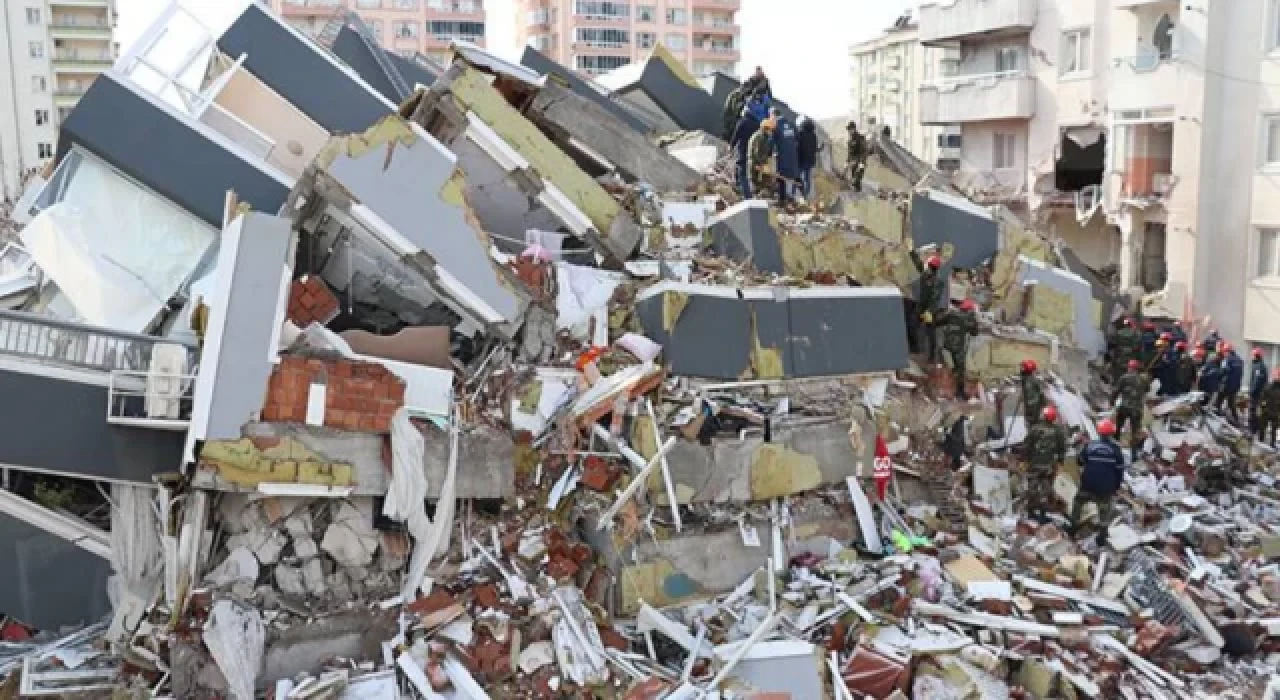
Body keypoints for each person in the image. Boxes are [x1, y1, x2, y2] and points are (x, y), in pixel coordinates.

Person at [1070, 418, 1127, 543]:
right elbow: (1119, 471)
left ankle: (1073, 526)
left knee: (1078, 502)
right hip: (1105, 487)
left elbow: (1080, 461)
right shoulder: (1116, 450)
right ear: (1112, 433)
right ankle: (1102, 535)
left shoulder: (1090, 446)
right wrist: (1115, 487)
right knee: (1105, 509)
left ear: (1099, 432)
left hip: (1088, 484)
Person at [1024, 406, 1067, 523]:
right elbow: (1062, 449)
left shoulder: (1035, 429)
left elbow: (1027, 446)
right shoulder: (1057, 431)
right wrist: (1060, 463)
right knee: (1046, 488)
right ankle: (1043, 513)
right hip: (1048, 466)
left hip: (1034, 465)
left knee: (1032, 487)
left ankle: (1031, 512)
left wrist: (1025, 460)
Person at [937, 298, 980, 400]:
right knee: (960, 369)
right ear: (970, 309)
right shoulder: (969, 318)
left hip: (946, 345)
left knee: (945, 364)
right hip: (958, 347)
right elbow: (975, 333)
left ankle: (944, 385)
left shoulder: (952, 314)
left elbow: (939, 322)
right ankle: (959, 392)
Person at [909, 249, 946, 363]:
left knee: (930, 333)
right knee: (913, 326)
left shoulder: (938, 282)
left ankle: (931, 357)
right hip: (922, 307)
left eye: (930, 266)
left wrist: (929, 312)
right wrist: (912, 253)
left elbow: (935, 299)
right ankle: (915, 349)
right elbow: (919, 266)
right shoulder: (926, 275)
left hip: (930, 310)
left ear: (932, 267)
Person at [1112, 359, 1149, 461]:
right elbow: (1147, 390)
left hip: (1124, 407)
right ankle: (1134, 455)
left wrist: (1112, 402)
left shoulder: (1124, 377)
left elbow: (1116, 391)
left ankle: (1114, 450)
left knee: (1118, 429)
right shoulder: (1143, 379)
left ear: (1129, 367)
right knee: (1135, 432)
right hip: (1137, 409)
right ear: (1137, 369)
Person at [730, 107, 761, 199]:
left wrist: (731, 146)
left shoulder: (743, 122)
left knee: (742, 173)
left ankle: (747, 196)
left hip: (743, 150)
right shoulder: (757, 124)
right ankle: (743, 189)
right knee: (749, 173)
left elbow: (736, 134)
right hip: (753, 153)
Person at [771, 109, 800, 206]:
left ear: (774, 116)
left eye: (771, 117)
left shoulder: (776, 126)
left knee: (781, 177)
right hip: (793, 156)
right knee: (794, 176)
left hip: (783, 156)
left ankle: (782, 200)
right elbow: (797, 139)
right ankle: (801, 197)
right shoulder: (791, 124)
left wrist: (769, 153)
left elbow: (771, 142)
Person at [1216, 343, 1244, 424]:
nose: (1224, 353)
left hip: (1226, 386)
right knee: (1231, 404)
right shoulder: (1239, 360)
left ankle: (1217, 420)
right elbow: (1240, 374)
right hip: (1235, 386)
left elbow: (1223, 372)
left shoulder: (1227, 359)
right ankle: (1236, 420)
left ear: (1227, 351)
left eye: (1224, 351)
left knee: (1218, 402)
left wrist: (1217, 377)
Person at [747, 118, 775, 198]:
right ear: (765, 128)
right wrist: (759, 164)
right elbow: (757, 153)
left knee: (761, 185)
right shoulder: (759, 137)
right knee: (756, 187)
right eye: (770, 129)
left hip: (759, 164)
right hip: (755, 164)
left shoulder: (763, 137)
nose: (771, 131)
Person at [1110, 318, 1141, 383]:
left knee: (1118, 369)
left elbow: (1114, 343)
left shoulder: (1119, 332)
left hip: (1120, 353)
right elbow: (1137, 346)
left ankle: (1116, 383)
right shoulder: (1135, 333)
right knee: (1129, 369)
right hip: (1130, 354)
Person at [796, 116, 819, 201]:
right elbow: (815, 148)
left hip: (801, 159)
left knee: (797, 177)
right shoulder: (813, 135)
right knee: (807, 178)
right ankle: (806, 195)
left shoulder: (800, 133)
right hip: (810, 160)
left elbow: (798, 146)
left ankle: (794, 193)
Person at [1019, 358, 1047, 425]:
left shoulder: (1032, 380)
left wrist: (1044, 406)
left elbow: (1041, 393)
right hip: (1030, 405)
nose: (1021, 369)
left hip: (1033, 405)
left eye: (1023, 367)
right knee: (1030, 422)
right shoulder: (1026, 379)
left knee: (1033, 423)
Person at [1257, 369, 1280, 448]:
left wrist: (1262, 407)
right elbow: (1262, 398)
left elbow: (1262, 398)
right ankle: (1268, 442)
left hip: (1270, 411)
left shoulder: (1268, 386)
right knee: (1269, 428)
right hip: (1272, 411)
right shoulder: (1268, 386)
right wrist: (1263, 407)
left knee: (1268, 427)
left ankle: (1265, 441)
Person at [1249, 347, 1269, 434]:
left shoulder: (1259, 366)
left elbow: (1257, 381)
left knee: (1253, 411)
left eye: (1252, 355)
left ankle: (1253, 429)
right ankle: (1255, 428)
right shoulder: (1258, 365)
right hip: (1258, 392)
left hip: (1257, 393)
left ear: (1256, 356)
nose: (1251, 356)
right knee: (1255, 411)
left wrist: (1252, 391)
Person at [846, 121, 868, 192]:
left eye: (850, 129)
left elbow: (864, 151)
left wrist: (862, 162)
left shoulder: (860, 138)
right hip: (853, 163)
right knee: (854, 181)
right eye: (848, 130)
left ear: (854, 129)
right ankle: (857, 193)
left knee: (857, 180)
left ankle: (858, 192)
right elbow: (849, 153)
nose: (849, 131)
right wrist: (847, 162)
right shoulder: (850, 140)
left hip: (860, 162)